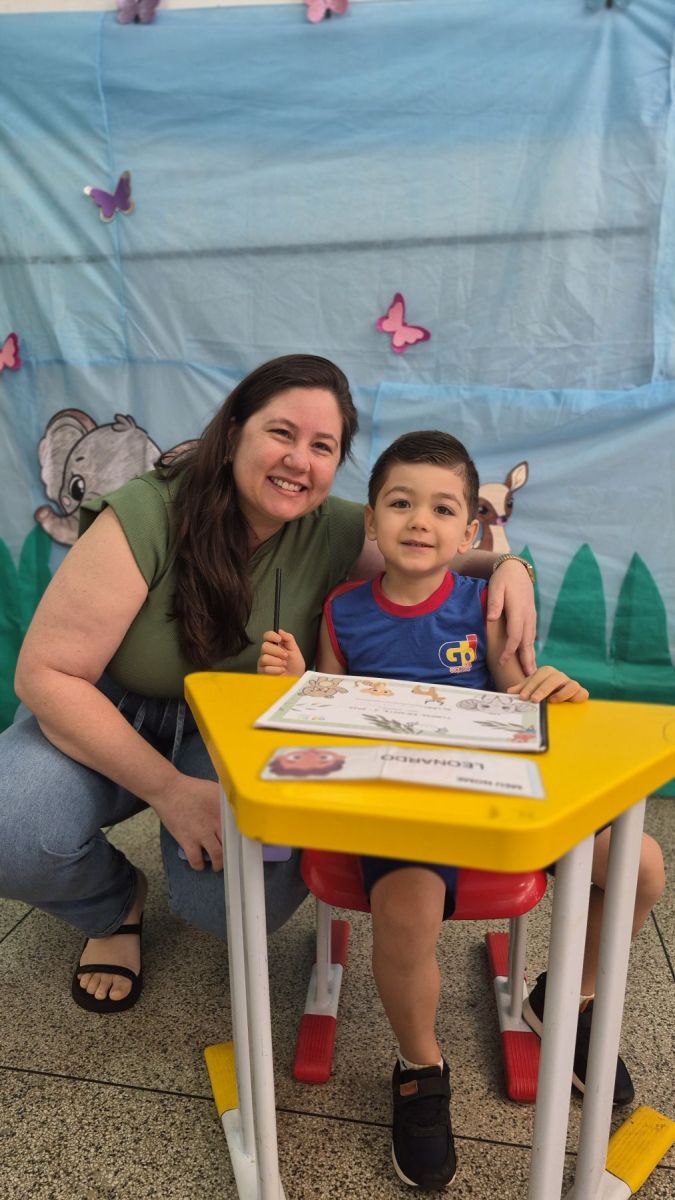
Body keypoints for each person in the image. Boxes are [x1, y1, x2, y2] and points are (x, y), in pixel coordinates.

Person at [0, 358, 538, 1016]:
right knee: (11, 827)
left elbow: (434, 556)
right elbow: (46, 674)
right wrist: (170, 791)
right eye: (281, 433)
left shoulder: (337, 528)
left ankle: (173, 871)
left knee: (235, 902)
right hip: (111, 710)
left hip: (232, 729)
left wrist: (510, 566)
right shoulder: (147, 510)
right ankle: (112, 907)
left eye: (322, 446)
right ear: (233, 434)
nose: (298, 460)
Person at [258, 429, 665, 1192]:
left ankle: (565, 1002)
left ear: (470, 530)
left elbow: (519, 692)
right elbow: (325, 712)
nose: (420, 521)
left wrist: (552, 691)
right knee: (406, 910)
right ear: (371, 521)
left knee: (640, 865)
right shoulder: (342, 611)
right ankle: (419, 1064)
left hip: (497, 802)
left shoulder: (487, 604)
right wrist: (296, 682)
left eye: (443, 508)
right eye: (399, 504)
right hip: (400, 817)